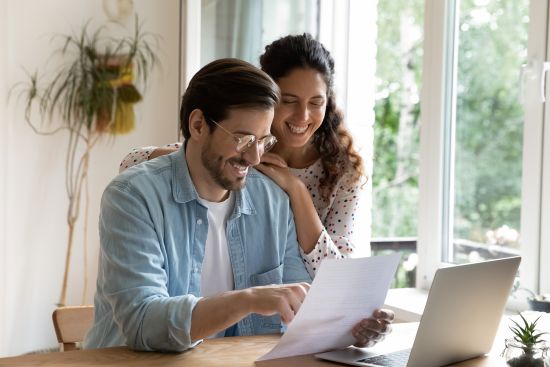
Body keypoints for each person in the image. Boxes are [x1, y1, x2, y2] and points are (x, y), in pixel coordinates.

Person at [85, 58, 393, 352]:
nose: (255, 158)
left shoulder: (272, 199)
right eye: (244, 140)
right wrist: (247, 300)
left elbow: (300, 305)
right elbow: (142, 323)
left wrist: (350, 327)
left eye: (263, 141)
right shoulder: (132, 197)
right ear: (198, 125)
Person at [120, 34, 367, 277]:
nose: (303, 116)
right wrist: (195, 156)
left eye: (316, 102)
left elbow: (338, 275)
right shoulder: (236, 151)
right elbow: (131, 163)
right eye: (289, 101)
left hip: (304, 302)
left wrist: (296, 190)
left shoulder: (341, 172)